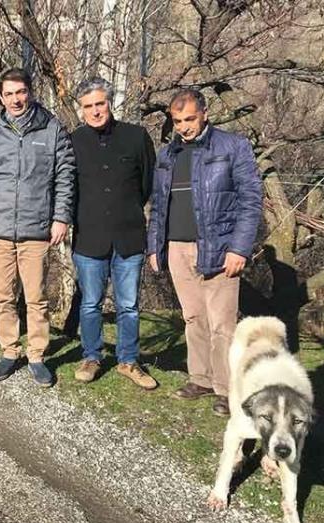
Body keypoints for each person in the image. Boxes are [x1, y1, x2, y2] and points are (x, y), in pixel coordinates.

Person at [147, 88, 263, 416]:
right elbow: (158, 205)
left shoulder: (233, 147)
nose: (184, 126)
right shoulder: (168, 155)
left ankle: (227, 390)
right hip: (176, 248)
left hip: (219, 247)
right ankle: (200, 378)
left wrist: (239, 247)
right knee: (193, 317)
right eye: (177, 120)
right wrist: (156, 246)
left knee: (222, 324)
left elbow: (250, 200)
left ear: (205, 113)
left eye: (190, 119)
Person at [0, 67, 76, 386]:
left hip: (37, 229)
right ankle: (9, 351)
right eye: (9, 94)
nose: (16, 99)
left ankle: (37, 355)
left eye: (21, 92)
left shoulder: (52, 129)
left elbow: (65, 177)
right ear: (1, 97)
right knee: (2, 296)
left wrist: (61, 218)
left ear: (30, 91)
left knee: (35, 296)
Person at [70, 77, 158, 390]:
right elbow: (68, 189)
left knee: (129, 305)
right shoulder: (74, 141)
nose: (95, 111)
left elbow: (147, 185)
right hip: (89, 237)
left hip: (129, 236)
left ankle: (128, 360)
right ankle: (91, 356)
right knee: (91, 303)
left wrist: (127, 210)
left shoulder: (136, 137)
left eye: (100, 103)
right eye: (88, 106)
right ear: (81, 110)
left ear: (110, 103)